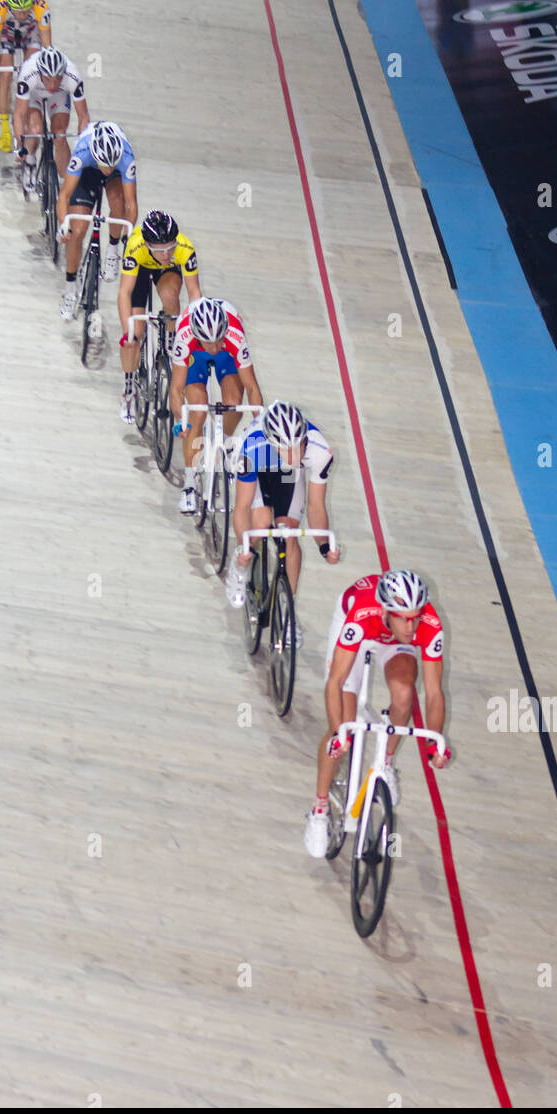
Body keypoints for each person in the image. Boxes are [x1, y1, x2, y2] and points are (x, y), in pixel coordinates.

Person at [304, 569, 450, 859]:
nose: (411, 627)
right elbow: (335, 682)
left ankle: (386, 761)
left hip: (391, 643)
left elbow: (433, 693)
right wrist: (337, 733)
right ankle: (319, 808)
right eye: (403, 618)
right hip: (358, 635)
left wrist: (435, 742)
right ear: (386, 610)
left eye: (415, 616)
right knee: (343, 725)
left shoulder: (429, 624)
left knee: (405, 693)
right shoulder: (362, 612)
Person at [227, 401, 340, 647]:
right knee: (259, 521)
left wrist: (323, 545)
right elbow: (243, 506)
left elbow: (316, 507)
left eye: (298, 446)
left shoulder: (320, 450)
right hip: (258, 470)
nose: (294, 455)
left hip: (289, 476)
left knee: (289, 535)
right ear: (272, 442)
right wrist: (243, 547)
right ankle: (239, 567)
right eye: (286, 449)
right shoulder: (251, 448)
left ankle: (287, 610)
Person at [168, 298, 263, 514]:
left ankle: (224, 443)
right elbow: (176, 389)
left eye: (217, 340)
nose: (213, 347)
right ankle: (190, 484)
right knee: (197, 411)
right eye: (208, 342)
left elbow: (252, 388)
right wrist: (180, 420)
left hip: (227, 355)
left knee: (233, 402)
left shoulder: (234, 335)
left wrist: (260, 424)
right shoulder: (184, 336)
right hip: (194, 356)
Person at [116, 212, 203, 424]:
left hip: (167, 272)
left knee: (171, 296)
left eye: (169, 248)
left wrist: (191, 333)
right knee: (134, 334)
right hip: (142, 269)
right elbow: (124, 293)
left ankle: (172, 342)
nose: (165, 254)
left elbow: (195, 295)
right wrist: (128, 331)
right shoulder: (135, 247)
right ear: (147, 244)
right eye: (160, 250)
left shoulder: (184, 248)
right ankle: (128, 391)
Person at [56, 121, 137, 320]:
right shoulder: (82, 152)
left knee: (118, 201)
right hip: (88, 170)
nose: (107, 169)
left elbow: (131, 204)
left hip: (118, 172)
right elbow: (64, 196)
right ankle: (70, 288)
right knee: (77, 230)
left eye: (111, 165)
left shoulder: (125, 157)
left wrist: (127, 238)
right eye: (105, 165)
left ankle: (112, 250)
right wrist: (63, 225)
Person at [0, 0, 51, 152]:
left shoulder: (40, 4)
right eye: (18, 11)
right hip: (6, 32)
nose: (22, 14)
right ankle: (5, 126)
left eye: (26, 10)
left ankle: (29, 118)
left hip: (30, 33)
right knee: (5, 73)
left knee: (33, 73)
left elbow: (47, 46)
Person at [13, 47, 90, 187]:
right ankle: (30, 162)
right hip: (34, 93)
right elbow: (19, 114)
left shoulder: (73, 76)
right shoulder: (28, 73)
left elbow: (83, 116)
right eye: (48, 79)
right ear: (40, 73)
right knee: (35, 130)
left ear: (63, 74)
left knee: (60, 135)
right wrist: (19, 144)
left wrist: (82, 145)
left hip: (59, 95)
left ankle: (65, 183)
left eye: (57, 79)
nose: (53, 84)